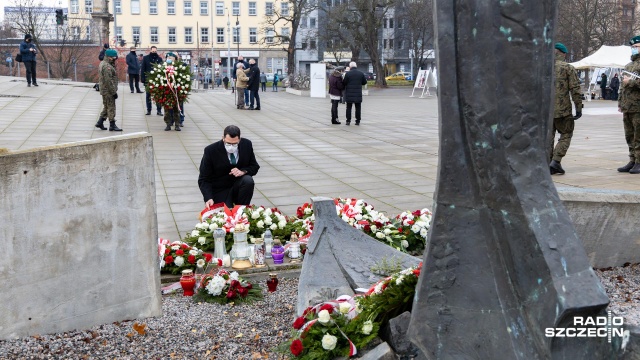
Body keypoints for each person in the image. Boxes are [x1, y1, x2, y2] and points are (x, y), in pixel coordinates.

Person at [198, 125, 260, 208]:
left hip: (239, 186)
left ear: (239, 139)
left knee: (248, 180)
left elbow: (254, 166)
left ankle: (242, 208)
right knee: (225, 215)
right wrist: (208, 197)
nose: (231, 146)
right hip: (220, 189)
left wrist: (243, 171)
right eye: (228, 143)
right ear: (223, 138)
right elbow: (204, 178)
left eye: (235, 144)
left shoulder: (247, 145)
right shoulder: (211, 150)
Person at [549, 43, 582, 175]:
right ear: (562, 54)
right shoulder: (568, 68)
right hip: (562, 110)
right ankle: (555, 161)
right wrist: (578, 108)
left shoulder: (542, 68)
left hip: (545, 111)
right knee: (566, 133)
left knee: (548, 137)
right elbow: (575, 89)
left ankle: (548, 163)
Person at [617, 35, 640, 174]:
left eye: (636, 47)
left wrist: (630, 82)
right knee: (629, 135)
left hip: (638, 107)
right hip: (628, 106)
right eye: (632, 47)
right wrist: (620, 102)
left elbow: (628, 83)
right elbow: (623, 86)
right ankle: (632, 159)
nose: (634, 49)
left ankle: (639, 161)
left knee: (639, 136)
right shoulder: (629, 65)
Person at [96, 49, 122, 132]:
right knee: (111, 107)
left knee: (106, 106)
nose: (114, 59)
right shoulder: (107, 67)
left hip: (105, 89)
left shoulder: (103, 63)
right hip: (108, 90)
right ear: (109, 57)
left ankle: (100, 122)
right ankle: (112, 124)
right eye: (113, 57)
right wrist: (114, 92)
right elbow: (109, 81)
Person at [342, 61, 367, 125]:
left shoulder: (348, 74)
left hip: (349, 94)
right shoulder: (361, 73)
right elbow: (364, 82)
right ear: (356, 66)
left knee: (349, 107)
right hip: (358, 94)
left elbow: (344, 82)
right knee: (358, 108)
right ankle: (357, 121)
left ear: (350, 67)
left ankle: (348, 121)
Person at [141, 46, 164, 116]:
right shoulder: (145, 58)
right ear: (150, 51)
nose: (154, 52)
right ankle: (149, 110)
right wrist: (143, 78)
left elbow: (162, 69)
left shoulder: (159, 59)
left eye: (155, 51)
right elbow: (143, 69)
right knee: (148, 95)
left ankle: (159, 110)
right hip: (148, 79)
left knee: (158, 95)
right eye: (153, 51)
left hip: (157, 79)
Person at [163, 52, 182, 131]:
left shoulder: (178, 67)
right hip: (166, 91)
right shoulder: (163, 67)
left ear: (175, 59)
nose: (169, 58)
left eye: (171, 57)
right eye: (168, 57)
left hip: (176, 91)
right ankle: (168, 124)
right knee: (166, 110)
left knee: (176, 109)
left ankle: (177, 124)